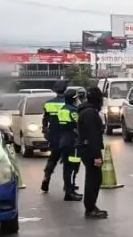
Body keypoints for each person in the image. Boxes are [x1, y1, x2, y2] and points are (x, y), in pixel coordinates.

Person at [41, 81, 80, 198]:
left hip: (53, 135)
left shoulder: (48, 104)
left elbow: (45, 119)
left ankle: (46, 177)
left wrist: (45, 130)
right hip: (67, 134)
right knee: (69, 162)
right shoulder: (69, 103)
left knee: (53, 157)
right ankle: (68, 185)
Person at [76, 85, 108, 219]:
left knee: (94, 178)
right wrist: (96, 156)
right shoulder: (90, 113)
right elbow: (92, 136)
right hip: (90, 150)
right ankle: (90, 208)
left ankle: (91, 206)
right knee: (93, 179)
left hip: (86, 149)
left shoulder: (87, 111)